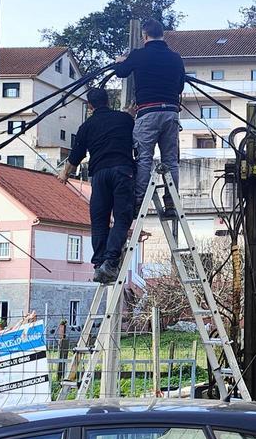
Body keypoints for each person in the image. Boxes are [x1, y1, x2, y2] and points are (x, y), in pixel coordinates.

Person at [60, 87, 135, 283]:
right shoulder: (124, 119)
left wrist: (64, 174)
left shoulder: (87, 126)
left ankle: (99, 263)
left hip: (100, 174)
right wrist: (129, 114)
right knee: (122, 218)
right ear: (108, 101)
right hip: (122, 171)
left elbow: (75, 156)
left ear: (90, 106)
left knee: (99, 220)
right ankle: (110, 262)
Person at [113, 18, 186, 217]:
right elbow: (180, 86)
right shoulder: (175, 58)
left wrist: (120, 61)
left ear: (144, 36)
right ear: (163, 35)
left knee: (144, 158)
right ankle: (171, 202)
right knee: (171, 160)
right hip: (171, 112)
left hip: (147, 112)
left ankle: (138, 201)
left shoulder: (139, 55)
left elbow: (121, 72)